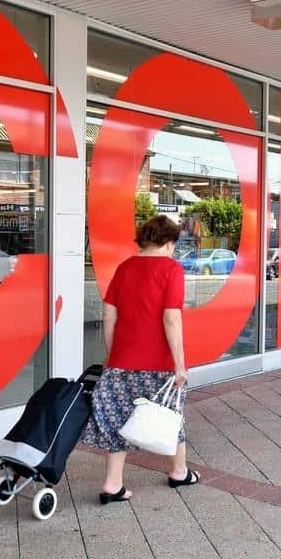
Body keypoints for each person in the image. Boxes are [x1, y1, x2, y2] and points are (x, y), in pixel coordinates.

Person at [81, 215, 197, 504]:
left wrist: (113, 354)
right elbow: (171, 318)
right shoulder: (171, 269)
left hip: (122, 362)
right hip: (158, 364)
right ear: (169, 243)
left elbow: (109, 315)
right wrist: (180, 363)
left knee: (118, 420)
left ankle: (112, 484)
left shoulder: (124, 268)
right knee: (171, 415)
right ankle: (179, 472)